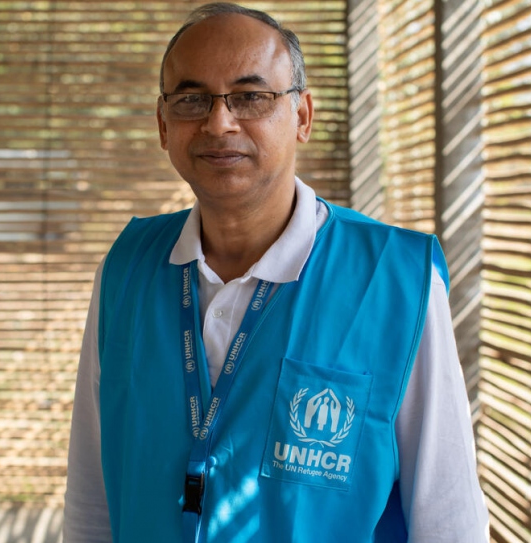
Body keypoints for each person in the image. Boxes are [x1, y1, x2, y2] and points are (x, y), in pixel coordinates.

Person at [64, 3, 489, 542]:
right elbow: (92, 500)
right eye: (192, 99)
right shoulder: (127, 270)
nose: (220, 122)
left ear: (303, 116)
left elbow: (449, 519)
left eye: (251, 96)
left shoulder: (397, 281)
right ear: (163, 124)